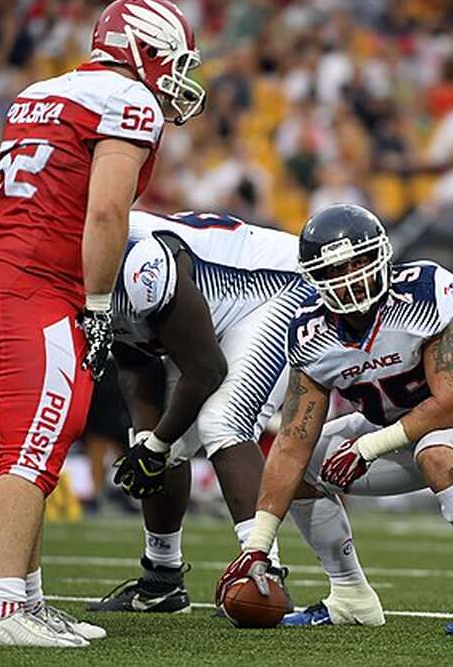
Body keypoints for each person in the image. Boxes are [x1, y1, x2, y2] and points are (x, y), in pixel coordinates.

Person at [0, 0, 204, 647]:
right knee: (34, 455)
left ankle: (26, 601)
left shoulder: (40, 92)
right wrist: (98, 305)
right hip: (35, 294)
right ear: (142, 50)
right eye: (171, 59)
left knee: (19, 454)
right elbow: (105, 213)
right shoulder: (129, 101)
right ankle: (4, 610)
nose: (177, 76)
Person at [217, 204, 453, 638]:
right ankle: (350, 596)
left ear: (382, 255)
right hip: (402, 429)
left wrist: (369, 447)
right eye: (335, 268)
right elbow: (292, 441)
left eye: (360, 261)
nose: (351, 276)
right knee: (304, 466)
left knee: (436, 448)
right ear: (314, 276)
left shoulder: (424, 293)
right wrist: (258, 546)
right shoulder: (310, 332)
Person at [86, 209, 312, 613]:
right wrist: (147, 442)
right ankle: (162, 579)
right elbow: (135, 362)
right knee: (156, 440)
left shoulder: (142, 258)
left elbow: (207, 369)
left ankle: (264, 568)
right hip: (211, 318)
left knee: (223, 420)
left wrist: (156, 445)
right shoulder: (83, 270)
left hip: (278, 289)